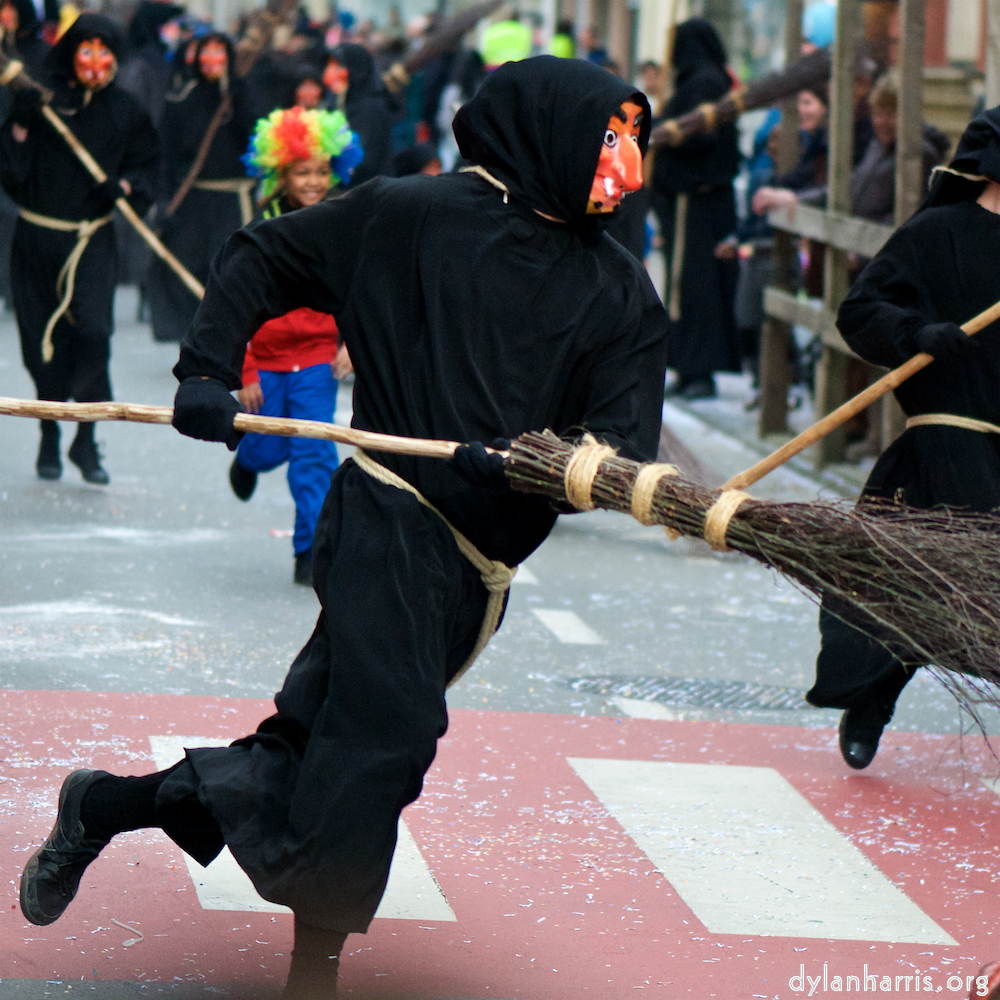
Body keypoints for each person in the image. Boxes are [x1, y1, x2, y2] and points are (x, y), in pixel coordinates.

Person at [18, 55, 667, 999]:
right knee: (386, 742)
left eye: (632, 139)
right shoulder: (412, 216)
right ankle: (313, 971)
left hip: (477, 569)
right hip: (385, 520)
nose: (623, 161)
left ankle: (103, 805)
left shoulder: (620, 291)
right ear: (547, 135)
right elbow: (264, 255)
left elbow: (616, 453)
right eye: (608, 137)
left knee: (312, 750)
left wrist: (545, 465)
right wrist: (205, 370)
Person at [804, 107, 1000, 769]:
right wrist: (917, 334)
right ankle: (873, 698)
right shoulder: (938, 232)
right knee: (912, 590)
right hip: (948, 444)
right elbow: (859, 311)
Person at [0, 13, 158, 484]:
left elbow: (149, 165)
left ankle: (86, 440)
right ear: (71, 53)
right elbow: (10, 173)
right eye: (86, 50)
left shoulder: (126, 110)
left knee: (93, 334)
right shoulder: (40, 102)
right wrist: (22, 126)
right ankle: (50, 432)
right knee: (39, 349)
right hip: (36, 238)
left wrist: (126, 186)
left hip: (90, 240)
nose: (96, 61)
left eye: (104, 51)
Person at [231, 105, 361, 586]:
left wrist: (354, 344)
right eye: (302, 172)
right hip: (264, 361)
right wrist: (243, 370)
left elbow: (360, 289)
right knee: (266, 448)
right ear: (281, 174)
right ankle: (246, 459)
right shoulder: (259, 228)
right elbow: (235, 304)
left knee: (314, 454)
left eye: (322, 172)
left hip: (316, 363)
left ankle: (310, 550)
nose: (313, 182)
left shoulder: (343, 223)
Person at [147, 33, 260, 342]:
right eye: (205, 52)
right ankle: (193, 339)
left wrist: (237, 99)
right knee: (187, 270)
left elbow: (256, 141)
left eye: (219, 52)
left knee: (230, 270)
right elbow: (166, 155)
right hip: (193, 200)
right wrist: (163, 201)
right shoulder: (182, 99)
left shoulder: (243, 94)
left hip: (234, 200)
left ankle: (231, 340)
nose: (212, 59)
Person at [652, 18, 740, 400]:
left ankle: (699, 370)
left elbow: (702, 137)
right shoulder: (704, 80)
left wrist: (666, 132)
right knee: (683, 287)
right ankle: (688, 367)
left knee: (697, 288)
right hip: (694, 202)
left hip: (700, 202)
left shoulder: (704, 83)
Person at [322, 43, 392, 187]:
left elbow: (367, 160)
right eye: (330, 65)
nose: (331, 72)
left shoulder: (370, 106)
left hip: (369, 190)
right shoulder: (336, 100)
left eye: (338, 66)